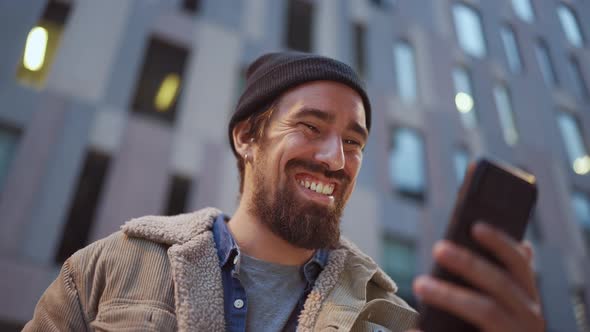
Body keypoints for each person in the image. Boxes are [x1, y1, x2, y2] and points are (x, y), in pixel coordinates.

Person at [24, 52, 544, 331]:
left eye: (353, 141)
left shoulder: (395, 322)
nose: (335, 159)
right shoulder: (107, 268)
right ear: (247, 136)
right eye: (311, 128)